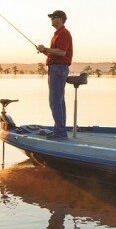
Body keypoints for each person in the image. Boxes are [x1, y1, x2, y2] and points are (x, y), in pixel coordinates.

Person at [36, 10, 72, 139]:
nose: (51, 19)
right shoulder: (56, 34)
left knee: (55, 101)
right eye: (51, 17)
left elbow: (62, 53)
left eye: (53, 17)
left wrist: (45, 48)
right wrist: (44, 51)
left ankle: (60, 132)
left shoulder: (64, 33)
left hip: (58, 69)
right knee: (59, 101)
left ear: (61, 19)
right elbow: (55, 54)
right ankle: (59, 129)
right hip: (56, 68)